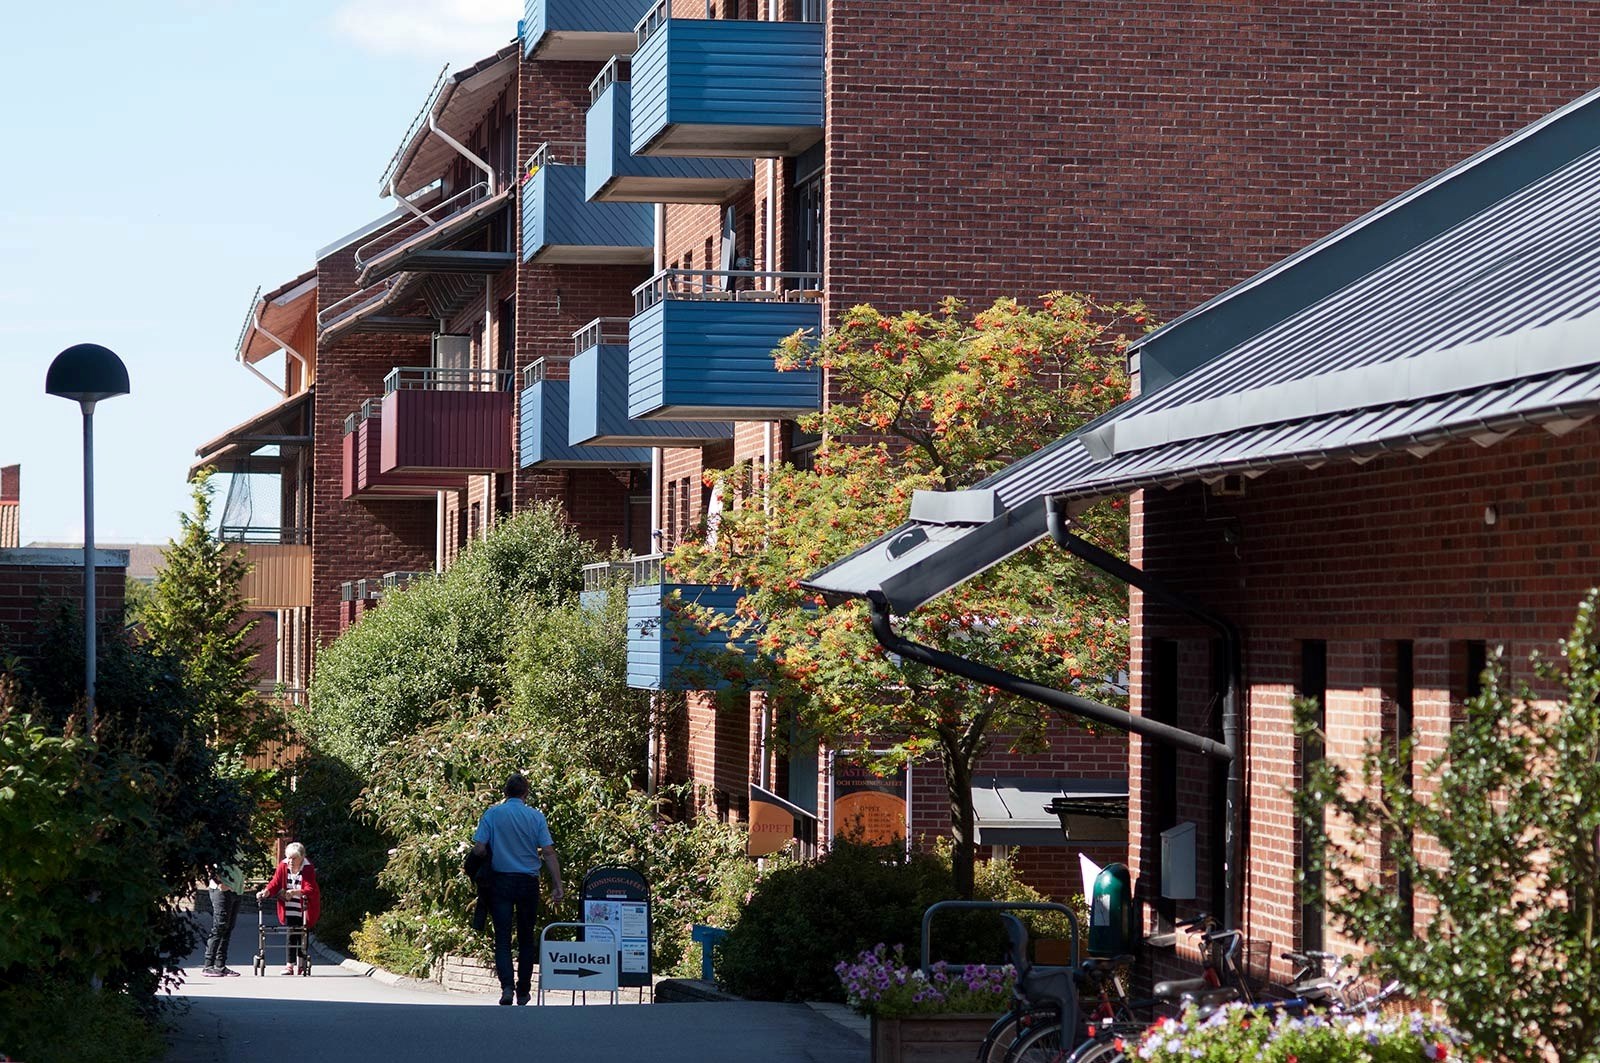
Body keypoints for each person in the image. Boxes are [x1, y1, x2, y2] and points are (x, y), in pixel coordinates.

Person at [472, 773, 564, 1006]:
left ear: (505, 792)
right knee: (525, 937)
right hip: (527, 882)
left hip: (500, 881)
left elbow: (480, 848)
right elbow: (548, 852)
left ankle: (506, 988)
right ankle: (523, 991)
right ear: (526, 793)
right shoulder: (535, 817)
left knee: (502, 938)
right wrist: (557, 884)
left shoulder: (492, 814)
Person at [258, 842, 320, 975]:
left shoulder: (308, 868)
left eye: (294, 858)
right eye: (289, 858)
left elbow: (310, 889)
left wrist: (295, 892)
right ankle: (289, 965)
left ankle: (302, 964)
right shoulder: (283, 865)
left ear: (302, 857)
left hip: (304, 906)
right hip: (289, 905)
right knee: (291, 933)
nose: (290, 861)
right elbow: (275, 882)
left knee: (303, 933)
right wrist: (266, 892)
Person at [201, 858, 245, 976]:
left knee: (228, 927)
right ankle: (208, 965)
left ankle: (220, 965)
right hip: (221, 891)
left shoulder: (238, 843)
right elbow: (209, 864)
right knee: (219, 927)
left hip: (236, 890)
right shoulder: (221, 842)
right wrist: (219, 882)